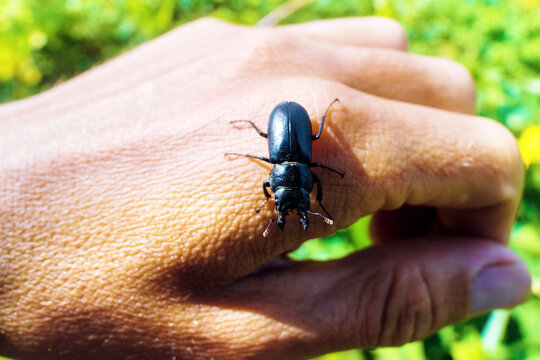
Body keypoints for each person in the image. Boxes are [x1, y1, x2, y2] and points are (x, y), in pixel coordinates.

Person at [0, 17, 530, 360]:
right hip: (285, 132)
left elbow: (292, 182)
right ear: (279, 180)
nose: (289, 198)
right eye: (286, 195)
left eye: (286, 195)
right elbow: (285, 182)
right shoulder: (286, 170)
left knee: (312, 155)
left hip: (287, 131)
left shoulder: (293, 170)